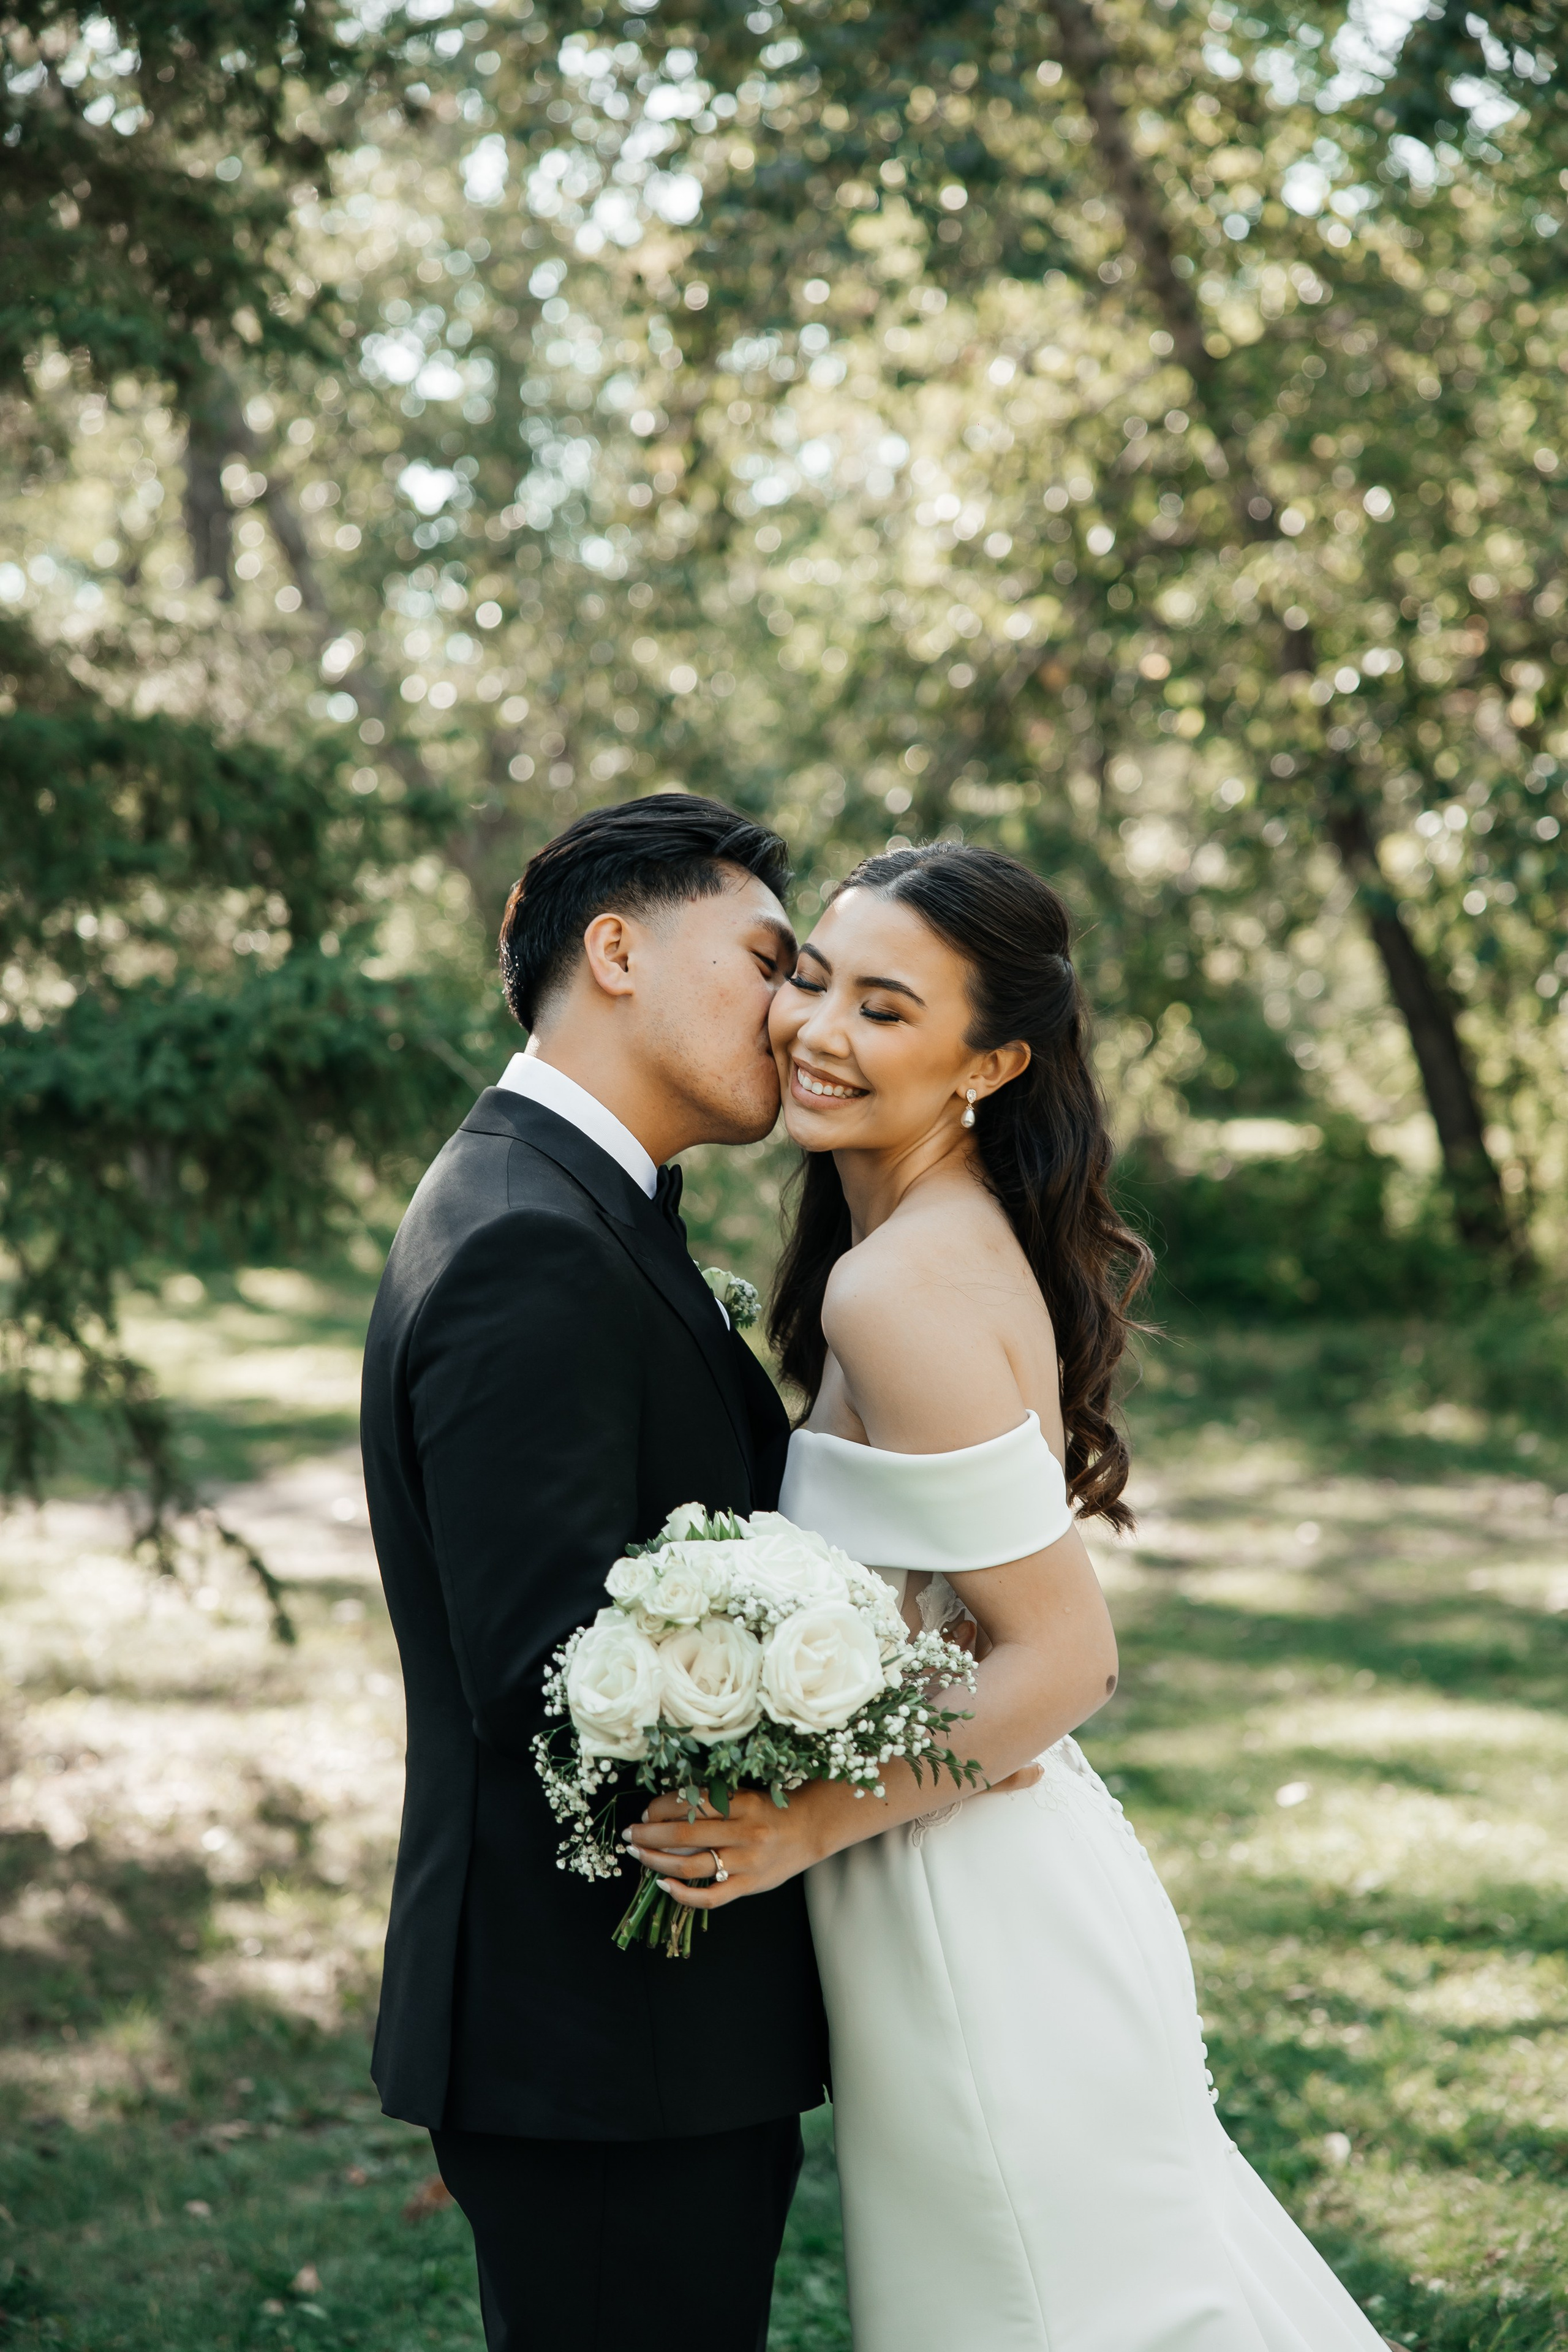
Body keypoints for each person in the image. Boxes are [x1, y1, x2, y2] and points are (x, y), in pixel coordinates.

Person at [625, 842, 1392, 2351]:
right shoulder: (908, 1242)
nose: (817, 1031)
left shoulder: (897, 1282)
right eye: (813, 977)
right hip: (966, 1879)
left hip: (972, 1920)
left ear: (988, 1061)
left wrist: (798, 1825)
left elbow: (1062, 1659)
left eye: (886, 1010)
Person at [360, 794, 829, 2352]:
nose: (796, 1007)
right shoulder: (528, 1236)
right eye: (768, 957)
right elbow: (544, 1667)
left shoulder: (568, 1202)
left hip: (630, 2033)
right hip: (600, 2043)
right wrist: (883, 1699)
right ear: (614, 948)